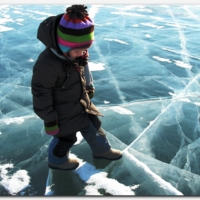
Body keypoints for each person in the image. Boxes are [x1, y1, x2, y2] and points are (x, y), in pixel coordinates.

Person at [31, 4, 122, 171]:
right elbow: (40, 93)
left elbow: (84, 70)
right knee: (66, 138)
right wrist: (50, 119)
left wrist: (89, 86)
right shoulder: (47, 65)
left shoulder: (77, 54)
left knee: (94, 127)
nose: (82, 53)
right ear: (63, 46)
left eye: (85, 49)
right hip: (62, 112)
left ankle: (103, 151)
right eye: (78, 51)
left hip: (81, 103)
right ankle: (57, 161)